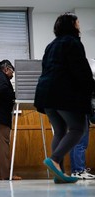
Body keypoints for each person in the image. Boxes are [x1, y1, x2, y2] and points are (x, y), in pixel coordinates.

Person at [34, 12, 95, 183]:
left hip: (46, 96)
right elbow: (81, 71)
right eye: (78, 23)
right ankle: (54, 159)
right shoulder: (73, 42)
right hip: (63, 94)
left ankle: (59, 174)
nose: (79, 26)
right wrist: (92, 88)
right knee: (78, 128)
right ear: (72, 25)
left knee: (60, 131)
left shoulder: (51, 45)